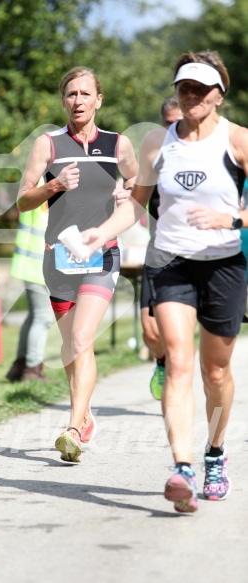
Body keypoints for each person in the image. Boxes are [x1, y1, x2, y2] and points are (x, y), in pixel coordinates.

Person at [82, 50, 248, 512]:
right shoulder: (158, 142)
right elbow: (137, 204)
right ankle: (182, 468)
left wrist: (232, 219)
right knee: (177, 360)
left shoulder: (238, 141)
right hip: (170, 262)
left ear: (218, 95)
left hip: (223, 265)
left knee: (215, 370)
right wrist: (102, 231)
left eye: (200, 88)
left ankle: (215, 452)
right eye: (183, 87)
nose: (190, 95)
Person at [17, 66, 138, 462]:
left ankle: (72, 428)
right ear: (63, 101)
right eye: (71, 94)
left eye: (86, 93)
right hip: (59, 257)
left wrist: (127, 194)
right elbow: (22, 200)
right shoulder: (47, 145)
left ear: (98, 99)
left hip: (102, 252)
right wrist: (53, 186)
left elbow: (139, 187)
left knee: (83, 338)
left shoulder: (118, 144)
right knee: (72, 348)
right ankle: (85, 417)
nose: (78, 101)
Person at [141, 95, 182, 400]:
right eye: (168, 122)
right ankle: (161, 361)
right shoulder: (155, 154)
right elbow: (136, 191)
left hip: (201, 250)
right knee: (150, 329)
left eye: (178, 120)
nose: (174, 127)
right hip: (160, 247)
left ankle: (182, 377)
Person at [5, 202, 54, 382]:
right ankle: (32, 370)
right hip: (38, 264)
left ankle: (20, 366)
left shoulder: (34, 182)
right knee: (43, 317)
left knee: (34, 315)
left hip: (30, 262)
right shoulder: (46, 183)